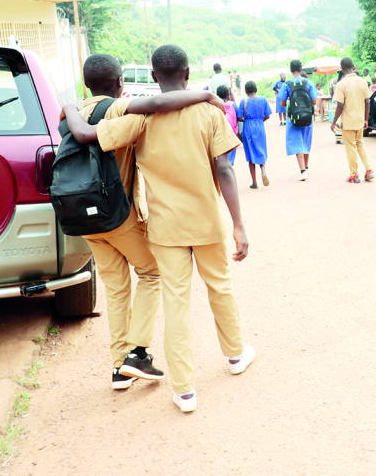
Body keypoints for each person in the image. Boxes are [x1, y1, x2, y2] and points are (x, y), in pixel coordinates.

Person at [62, 44, 254, 413]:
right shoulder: (208, 111)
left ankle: (184, 391)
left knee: (176, 302)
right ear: (186, 73)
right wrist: (239, 226)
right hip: (206, 223)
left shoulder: (140, 118)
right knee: (220, 287)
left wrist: (70, 108)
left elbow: (90, 136)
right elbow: (225, 169)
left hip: (165, 229)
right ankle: (234, 355)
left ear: (152, 77)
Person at [331, 57, 374, 183]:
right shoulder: (362, 82)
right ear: (353, 66)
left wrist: (333, 122)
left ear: (342, 69)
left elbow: (340, 106)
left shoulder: (341, 84)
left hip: (348, 122)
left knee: (351, 147)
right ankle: (369, 169)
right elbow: (367, 102)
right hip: (360, 120)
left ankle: (354, 175)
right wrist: (366, 119)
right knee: (360, 143)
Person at [278, 59, 319, 180]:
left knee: (297, 142)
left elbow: (282, 104)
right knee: (306, 141)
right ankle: (306, 167)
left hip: (293, 118)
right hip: (307, 117)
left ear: (290, 70)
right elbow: (314, 101)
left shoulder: (287, 84)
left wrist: (292, 104)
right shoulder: (308, 82)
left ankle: (302, 170)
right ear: (301, 69)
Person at [236, 80, 271, 188]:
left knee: (250, 154)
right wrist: (259, 121)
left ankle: (254, 182)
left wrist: (247, 121)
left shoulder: (243, 101)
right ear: (256, 89)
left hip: (248, 127)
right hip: (259, 126)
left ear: (245, 91)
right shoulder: (263, 99)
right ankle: (263, 171)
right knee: (261, 150)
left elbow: (239, 117)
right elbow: (267, 115)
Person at [218, 85, 239, 167]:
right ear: (228, 95)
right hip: (231, 135)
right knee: (230, 162)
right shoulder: (232, 105)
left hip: (219, 135)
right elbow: (239, 117)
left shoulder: (214, 105)